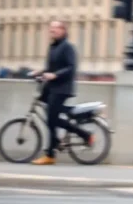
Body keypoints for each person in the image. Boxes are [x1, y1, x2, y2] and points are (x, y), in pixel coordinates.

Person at [29, 21, 93, 165]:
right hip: (51, 87)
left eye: (56, 28)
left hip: (62, 88)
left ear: (63, 30)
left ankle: (51, 154)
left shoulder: (67, 47)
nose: (52, 30)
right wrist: (39, 72)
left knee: (51, 119)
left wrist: (55, 75)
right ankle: (60, 138)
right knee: (50, 116)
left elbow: (71, 67)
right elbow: (50, 67)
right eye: (51, 28)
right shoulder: (53, 47)